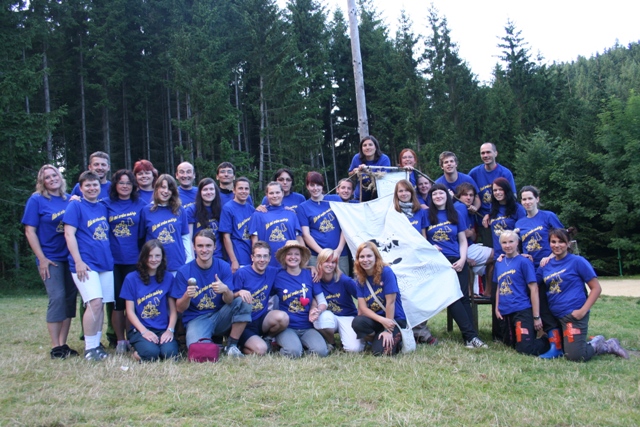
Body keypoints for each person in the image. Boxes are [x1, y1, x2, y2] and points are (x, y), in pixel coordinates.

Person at [536, 228, 629, 361]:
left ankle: (605, 345)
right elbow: (533, 284)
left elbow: (596, 288)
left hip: (573, 314)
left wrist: (583, 311)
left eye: (561, 242)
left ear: (568, 243)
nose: (557, 245)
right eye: (553, 242)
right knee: (565, 348)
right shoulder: (545, 265)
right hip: (554, 317)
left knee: (576, 356)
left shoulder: (577, 261)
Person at [22, 165, 78, 359]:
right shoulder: (37, 200)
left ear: (60, 177)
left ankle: (63, 344)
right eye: (47, 177)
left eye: (55, 175)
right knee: (57, 297)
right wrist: (42, 258)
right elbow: (30, 231)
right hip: (50, 258)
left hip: (69, 257)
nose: (52, 179)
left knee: (69, 299)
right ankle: (55, 346)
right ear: (42, 181)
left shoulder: (69, 199)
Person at [425, 184, 487, 348]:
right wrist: (430, 247)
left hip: (457, 260)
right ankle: (471, 336)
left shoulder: (456, 213)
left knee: (464, 298)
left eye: (441, 193)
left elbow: (463, 240)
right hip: (439, 262)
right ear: (431, 198)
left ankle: (470, 337)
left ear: (447, 196)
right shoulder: (426, 215)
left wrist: (462, 259)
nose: (438, 196)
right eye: (435, 194)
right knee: (451, 298)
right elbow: (422, 239)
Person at [172, 229, 252, 356]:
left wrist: (225, 290)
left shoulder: (223, 266)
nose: (204, 250)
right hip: (197, 319)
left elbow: (229, 300)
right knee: (198, 351)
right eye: (200, 246)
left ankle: (231, 346)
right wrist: (187, 295)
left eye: (208, 246)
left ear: (215, 247)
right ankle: (214, 345)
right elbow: (180, 308)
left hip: (220, 315)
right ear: (194, 247)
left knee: (244, 301)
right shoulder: (184, 271)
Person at [63, 171, 115, 361]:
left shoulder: (102, 206)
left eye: (95, 185)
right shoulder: (75, 206)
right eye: (88, 185)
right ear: (80, 188)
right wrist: (78, 261)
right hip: (86, 263)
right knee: (93, 302)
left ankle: (97, 345)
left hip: (105, 263)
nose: (92, 188)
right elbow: (69, 234)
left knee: (101, 305)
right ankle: (89, 348)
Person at [103, 169, 147, 354]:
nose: (125, 186)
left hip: (134, 259)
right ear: (115, 185)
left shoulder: (141, 204)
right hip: (112, 261)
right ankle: (120, 340)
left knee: (132, 301)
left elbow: (145, 232)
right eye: (121, 183)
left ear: (134, 186)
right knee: (117, 303)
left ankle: (131, 338)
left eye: (128, 183)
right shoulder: (105, 204)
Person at [392, 180, 437, 345]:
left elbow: (423, 236)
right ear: (396, 195)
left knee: (420, 295)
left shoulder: (421, 212)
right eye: (400, 191)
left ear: (412, 193)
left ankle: (421, 331)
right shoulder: (392, 213)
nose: (404, 194)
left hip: (417, 259)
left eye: (407, 191)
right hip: (400, 260)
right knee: (404, 296)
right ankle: (404, 330)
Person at [120, 240, 179, 362]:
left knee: (170, 354)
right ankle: (136, 351)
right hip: (140, 329)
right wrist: (144, 331)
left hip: (162, 328)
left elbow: (173, 310)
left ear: (162, 257)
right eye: (150, 256)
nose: (153, 259)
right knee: (151, 354)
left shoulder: (168, 277)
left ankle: (154, 347)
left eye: (157, 256)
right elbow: (129, 311)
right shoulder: (131, 278)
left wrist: (170, 330)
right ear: (143, 257)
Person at [494, 231, 550, 356]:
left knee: (525, 349)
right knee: (510, 344)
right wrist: (497, 308)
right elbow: (498, 286)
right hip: (505, 311)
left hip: (521, 309)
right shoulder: (499, 263)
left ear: (517, 242)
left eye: (511, 242)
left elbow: (534, 288)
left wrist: (536, 317)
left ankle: (548, 340)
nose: (508, 245)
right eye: (504, 242)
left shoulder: (524, 262)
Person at [482, 177, 525, 339]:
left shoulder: (517, 209)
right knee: (497, 295)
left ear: (507, 190)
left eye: (500, 189)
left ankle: (517, 330)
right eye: (495, 190)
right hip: (499, 259)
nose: (498, 193)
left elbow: (523, 231)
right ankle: (499, 333)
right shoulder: (492, 209)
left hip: (514, 258)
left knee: (514, 293)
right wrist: (487, 216)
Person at [271, 240, 329, 358]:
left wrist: (317, 311)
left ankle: (300, 347)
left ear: (301, 257)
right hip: (287, 327)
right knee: (293, 352)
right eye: (289, 254)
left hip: (307, 326)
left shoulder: (310, 275)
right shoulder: (277, 275)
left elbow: (322, 302)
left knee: (321, 352)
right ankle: (290, 347)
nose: (293, 257)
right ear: (284, 257)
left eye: (296, 254)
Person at [232, 241, 289, 355]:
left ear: (269, 258)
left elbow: (292, 269)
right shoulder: (242, 273)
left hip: (261, 319)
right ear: (252, 257)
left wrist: (310, 267)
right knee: (261, 350)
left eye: (265, 256)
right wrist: (238, 293)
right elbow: (229, 297)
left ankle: (267, 338)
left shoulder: (273, 271)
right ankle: (242, 345)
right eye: (258, 256)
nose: (262, 260)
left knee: (283, 318)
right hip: (244, 323)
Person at [351, 242, 407, 356]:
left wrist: (388, 330)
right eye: (362, 257)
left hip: (393, 319)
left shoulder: (386, 272)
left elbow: (390, 302)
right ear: (357, 259)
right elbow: (363, 308)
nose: (365, 260)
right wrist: (381, 320)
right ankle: (378, 339)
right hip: (379, 319)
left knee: (379, 353)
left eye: (369, 256)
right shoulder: (360, 278)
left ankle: (395, 338)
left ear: (376, 257)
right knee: (357, 322)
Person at [313, 248, 364, 352]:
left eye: (333, 262)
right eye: (326, 261)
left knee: (354, 349)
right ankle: (331, 341)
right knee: (324, 318)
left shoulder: (344, 280)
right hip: (328, 316)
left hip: (347, 316)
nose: (330, 265)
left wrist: (361, 315)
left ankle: (349, 337)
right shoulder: (315, 279)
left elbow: (361, 297)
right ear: (320, 262)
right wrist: (310, 267)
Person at [140, 174, 192, 274]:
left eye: (169, 188)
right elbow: (141, 239)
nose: (166, 191)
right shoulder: (146, 210)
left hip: (176, 263)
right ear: (157, 188)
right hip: (154, 264)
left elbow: (185, 237)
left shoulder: (180, 210)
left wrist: (189, 258)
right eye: (163, 187)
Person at [297, 171, 347, 272]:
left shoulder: (335, 199)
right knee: (317, 280)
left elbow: (345, 226)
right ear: (307, 186)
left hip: (339, 254)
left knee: (342, 280)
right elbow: (306, 234)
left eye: (318, 185)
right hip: (317, 255)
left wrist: (339, 250)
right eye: (312, 185)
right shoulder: (303, 207)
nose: (315, 188)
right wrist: (323, 253)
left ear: (322, 185)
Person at [250, 181, 304, 267]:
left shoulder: (291, 214)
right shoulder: (258, 215)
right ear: (266, 195)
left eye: (277, 192)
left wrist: (304, 260)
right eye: (271, 193)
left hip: (289, 263)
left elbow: (298, 238)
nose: (275, 196)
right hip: (266, 263)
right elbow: (254, 242)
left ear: (282, 193)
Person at [455, 182, 494, 297]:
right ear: (459, 196)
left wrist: (470, 232)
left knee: (490, 259)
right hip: (461, 248)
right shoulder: (460, 207)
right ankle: (487, 292)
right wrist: (465, 257)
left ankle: (475, 292)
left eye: (471, 195)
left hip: (469, 246)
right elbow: (462, 233)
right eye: (465, 195)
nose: (468, 198)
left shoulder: (470, 210)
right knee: (495, 254)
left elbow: (473, 235)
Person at [516, 186, 564, 268]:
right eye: (524, 199)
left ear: (537, 199)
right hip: (530, 266)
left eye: (530, 198)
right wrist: (521, 255)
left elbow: (563, 239)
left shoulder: (548, 216)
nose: (527, 202)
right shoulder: (519, 223)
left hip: (550, 262)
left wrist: (551, 257)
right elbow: (517, 246)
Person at [468, 142, 516, 220]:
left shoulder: (505, 173)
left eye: (488, 152)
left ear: (495, 153)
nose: (485, 155)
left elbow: (513, 197)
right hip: (480, 218)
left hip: (501, 217)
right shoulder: (474, 173)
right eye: (482, 153)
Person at [220, 177, 256, 273]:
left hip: (250, 255)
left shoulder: (251, 209)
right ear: (234, 190)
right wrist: (233, 260)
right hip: (237, 255)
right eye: (240, 188)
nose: (243, 191)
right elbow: (226, 237)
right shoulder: (228, 208)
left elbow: (254, 235)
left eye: (246, 188)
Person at [186, 178, 223, 259]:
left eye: (211, 189)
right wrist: (192, 258)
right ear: (200, 192)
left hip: (217, 256)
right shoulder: (191, 210)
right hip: (199, 256)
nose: (209, 192)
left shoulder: (221, 209)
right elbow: (188, 238)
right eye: (205, 189)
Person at [348, 135, 391, 201]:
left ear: (375, 147)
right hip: (360, 197)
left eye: (370, 145)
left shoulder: (384, 159)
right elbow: (350, 175)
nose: (367, 147)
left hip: (379, 197)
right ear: (361, 148)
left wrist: (368, 171)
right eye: (364, 145)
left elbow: (385, 177)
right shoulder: (356, 158)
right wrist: (356, 171)